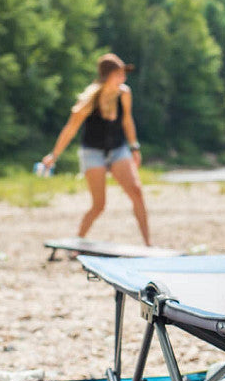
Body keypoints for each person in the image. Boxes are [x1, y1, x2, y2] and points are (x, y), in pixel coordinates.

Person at [42, 53, 151, 245]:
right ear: (107, 76)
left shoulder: (124, 93)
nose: (123, 78)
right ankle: (78, 241)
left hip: (118, 149)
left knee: (136, 192)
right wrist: (54, 155)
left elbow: (127, 120)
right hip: (92, 151)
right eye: (119, 74)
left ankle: (148, 243)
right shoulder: (90, 98)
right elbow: (71, 128)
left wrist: (135, 147)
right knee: (99, 205)